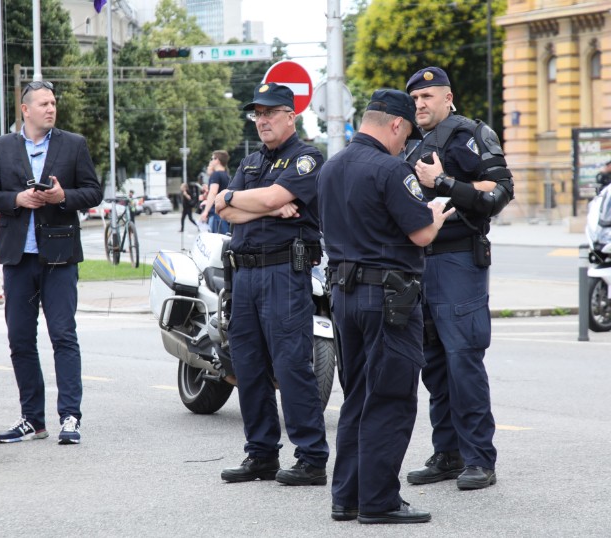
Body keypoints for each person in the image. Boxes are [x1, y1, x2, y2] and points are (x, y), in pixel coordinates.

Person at [319, 89, 453, 524]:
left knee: (356, 396)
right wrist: (434, 214)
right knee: (391, 398)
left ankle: (348, 497)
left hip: (343, 295)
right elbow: (420, 235)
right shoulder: (391, 170)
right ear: (395, 124)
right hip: (388, 299)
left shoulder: (330, 167)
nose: (404, 144)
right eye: (405, 134)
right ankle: (378, 501)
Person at [404, 66, 514, 490]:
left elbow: (500, 192)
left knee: (463, 360)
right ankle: (447, 454)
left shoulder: (471, 133)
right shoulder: (411, 143)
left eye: (427, 97)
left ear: (447, 97)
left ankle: (479, 459)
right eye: (415, 100)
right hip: (420, 262)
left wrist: (444, 182)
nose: (420, 105)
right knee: (433, 365)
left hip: (458, 261)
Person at [0, 80, 103, 445]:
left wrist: (64, 197)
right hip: (17, 257)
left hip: (60, 257)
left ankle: (70, 417)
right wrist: (16, 199)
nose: (51, 108)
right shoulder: (1, 146)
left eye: (54, 103)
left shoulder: (73, 144)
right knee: (20, 339)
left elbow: (94, 191)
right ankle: (33, 419)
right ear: (25, 109)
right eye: (44, 103)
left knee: (63, 336)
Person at [215, 83, 328, 486]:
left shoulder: (306, 158)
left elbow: (254, 203)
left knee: (291, 365)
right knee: (248, 366)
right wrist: (246, 199)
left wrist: (251, 201)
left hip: (283, 273)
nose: (261, 120)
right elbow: (223, 209)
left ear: (290, 116)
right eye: (256, 115)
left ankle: (312, 458)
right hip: (244, 274)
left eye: (269, 113)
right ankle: (261, 454)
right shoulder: (249, 164)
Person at [201, 150, 231, 234]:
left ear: (217, 160)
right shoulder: (226, 175)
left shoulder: (216, 174)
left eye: (212, 159)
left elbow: (213, 193)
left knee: (214, 240)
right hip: (224, 212)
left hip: (216, 213)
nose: (210, 161)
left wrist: (205, 211)